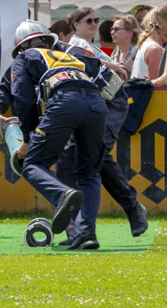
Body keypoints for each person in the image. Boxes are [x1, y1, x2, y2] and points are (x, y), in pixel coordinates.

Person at [12, 29, 108, 250]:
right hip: (97, 103)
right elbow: (108, 80)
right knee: (89, 171)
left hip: (64, 101)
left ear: (21, 48)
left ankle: (62, 194)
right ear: (49, 42)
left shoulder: (25, 57)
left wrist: (27, 136)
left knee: (32, 164)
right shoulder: (74, 56)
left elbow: (22, 97)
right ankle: (86, 234)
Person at [131, 5, 167, 80]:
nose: (155, 29)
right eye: (152, 25)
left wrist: (151, 82)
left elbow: (163, 80)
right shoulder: (154, 49)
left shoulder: (147, 45)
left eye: (157, 26)